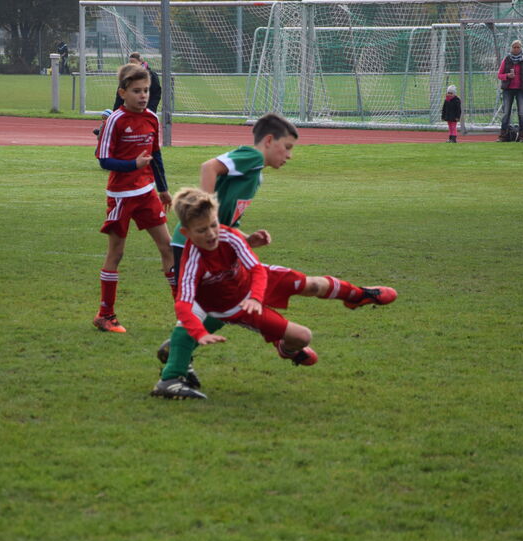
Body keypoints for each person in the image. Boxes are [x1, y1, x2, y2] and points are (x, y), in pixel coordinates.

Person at [150, 188, 398, 400]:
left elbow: (256, 269)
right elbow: (184, 303)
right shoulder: (192, 262)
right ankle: (285, 348)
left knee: (312, 285)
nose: (212, 234)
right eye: (202, 230)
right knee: (302, 337)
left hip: (254, 284)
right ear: (187, 233)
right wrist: (199, 332)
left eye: (214, 225)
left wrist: (256, 295)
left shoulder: (228, 235)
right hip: (236, 305)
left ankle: (357, 295)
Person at [155, 113, 299, 391]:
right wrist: (203, 211)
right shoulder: (252, 157)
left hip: (208, 246)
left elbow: (228, 223)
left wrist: (247, 239)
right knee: (210, 306)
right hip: (193, 245)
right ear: (269, 140)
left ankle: (179, 356)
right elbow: (209, 167)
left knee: (219, 305)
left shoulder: (255, 176)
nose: (289, 155)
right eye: (287, 147)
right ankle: (172, 374)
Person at [93, 63, 175, 333]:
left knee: (168, 248)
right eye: (137, 91)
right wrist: (133, 165)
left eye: (146, 90)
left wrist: (163, 189)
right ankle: (105, 315)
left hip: (147, 193)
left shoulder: (151, 118)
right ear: (123, 93)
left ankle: (184, 315)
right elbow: (103, 159)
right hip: (121, 196)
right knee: (116, 253)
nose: (143, 96)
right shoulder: (115, 120)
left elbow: (155, 154)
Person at [497, 40, 523, 142]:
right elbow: (499, 75)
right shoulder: (506, 60)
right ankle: (503, 135)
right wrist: (507, 76)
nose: (516, 49)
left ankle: (522, 136)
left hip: (521, 90)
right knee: (506, 113)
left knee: (521, 113)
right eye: (514, 47)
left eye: (518, 47)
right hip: (508, 89)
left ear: (521, 48)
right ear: (511, 48)